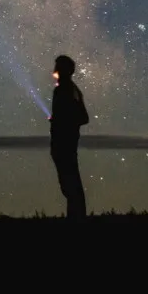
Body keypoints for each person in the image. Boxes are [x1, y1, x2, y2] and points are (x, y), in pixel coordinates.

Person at [49, 54, 89, 220]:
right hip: (67, 142)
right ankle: (76, 217)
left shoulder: (64, 90)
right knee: (70, 184)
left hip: (64, 143)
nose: (55, 70)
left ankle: (76, 219)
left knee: (69, 184)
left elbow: (82, 117)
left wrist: (61, 121)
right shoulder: (72, 90)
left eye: (58, 66)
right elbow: (82, 117)